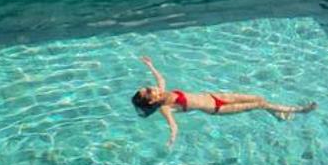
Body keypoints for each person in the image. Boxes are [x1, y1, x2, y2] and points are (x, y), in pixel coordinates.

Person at [132, 55, 315, 145]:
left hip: (216, 96)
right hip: (217, 109)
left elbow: (161, 79)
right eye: (148, 90)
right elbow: (173, 125)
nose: (150, 87)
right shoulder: (165, 107)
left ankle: (278, 115)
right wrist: (172, 138)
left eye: (147, 87)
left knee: (258, 98)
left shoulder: (163, 91)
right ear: (151, 101)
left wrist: (150, 65)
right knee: (260, 104)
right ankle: (299, 110)